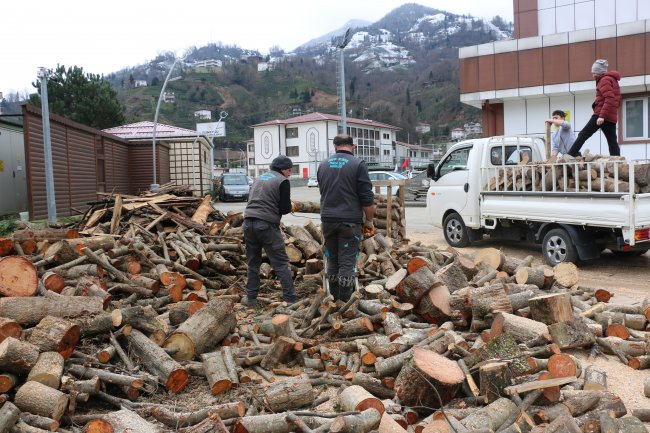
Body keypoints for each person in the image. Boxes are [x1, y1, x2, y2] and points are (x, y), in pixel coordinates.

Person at [317, 134, 375, 302]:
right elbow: (366, 198)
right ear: (353, 146)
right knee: (347, 262)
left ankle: (333, 301)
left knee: (333, 260)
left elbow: (323, 191)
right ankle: (345, 306)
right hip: (350, 221)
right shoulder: (358, 165)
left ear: (335, 146)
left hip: (328, 220)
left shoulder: (323, 165)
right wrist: (369, 222)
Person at [242, 155, 296, 306]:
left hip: (248, 222)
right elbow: (284, 209)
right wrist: (291, 205)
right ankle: (290, 299)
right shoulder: (282, 181)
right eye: (289, 170)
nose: (290, 174)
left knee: (253, 263)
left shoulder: (259, 178)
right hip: (266, 225)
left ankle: (251, 298)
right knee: (280, 263)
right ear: (283, 170)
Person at [567, 59, 621, 157]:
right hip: (610, 116)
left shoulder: (604, 80)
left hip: (601, 114)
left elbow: (609, 98)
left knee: (583, 134)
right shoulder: (611, 79)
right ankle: (617, 160)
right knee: (612, 141)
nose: (593, 75)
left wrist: (601, 116)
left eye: (595, 72)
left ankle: (570, 154)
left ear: (600, 72)